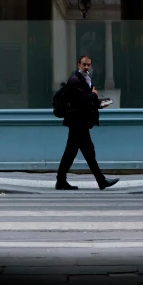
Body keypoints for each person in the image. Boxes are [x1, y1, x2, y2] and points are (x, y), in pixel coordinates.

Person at [56, 55, 120, 191]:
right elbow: (82, 98)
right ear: (78, 65)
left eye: (88, 65)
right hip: (77, 122)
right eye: (84, 65)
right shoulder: (74, 80)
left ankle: (61, 181)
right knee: (87, 152)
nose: (86, 67)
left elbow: (85, 101)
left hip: (79, 121)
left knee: (73, 152)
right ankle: (101, 181)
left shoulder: (84, 79)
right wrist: (95, 96)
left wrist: (98, 104)